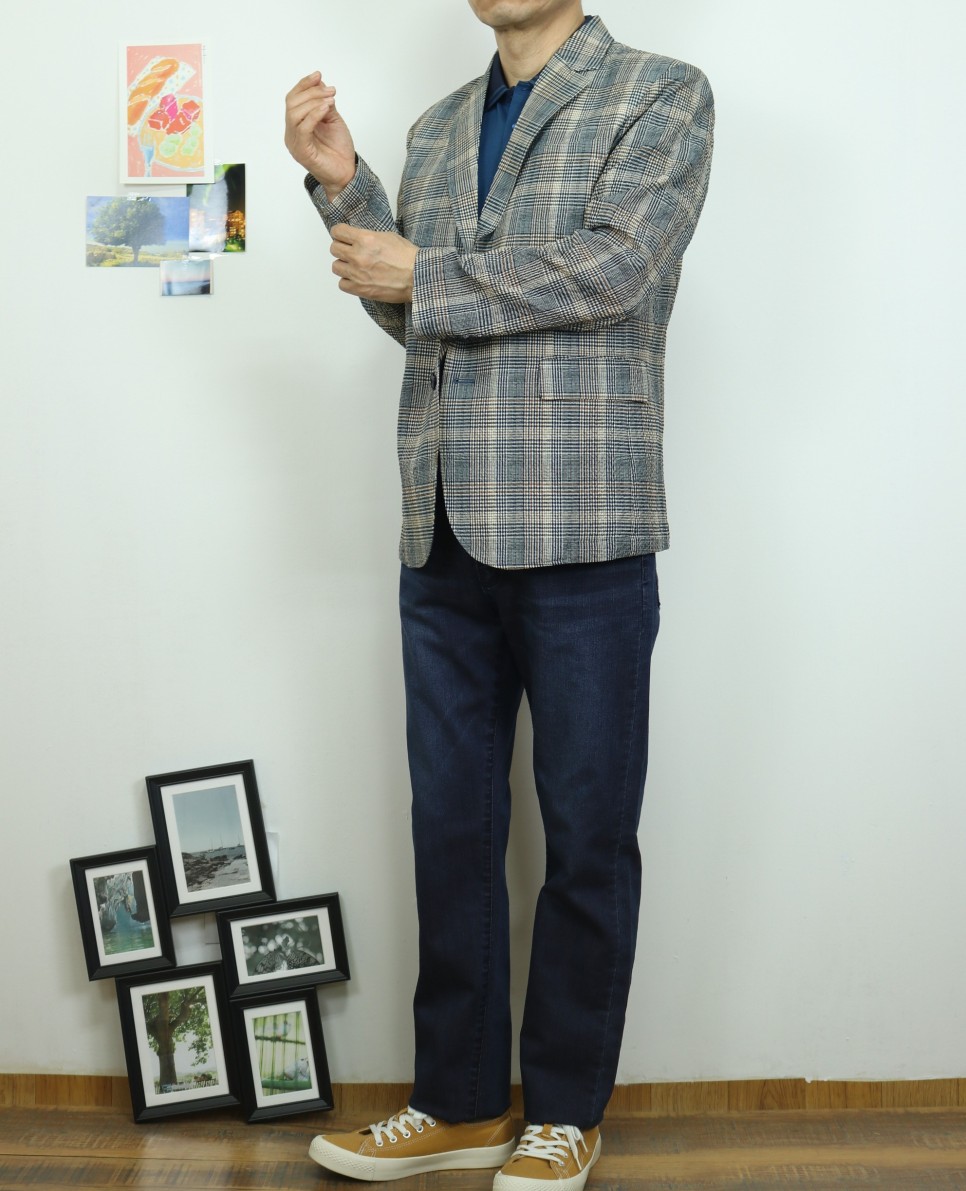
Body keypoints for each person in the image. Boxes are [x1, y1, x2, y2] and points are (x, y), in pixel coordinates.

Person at [284, 1, 713, 1186]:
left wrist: (425, 269)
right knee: (452, 832)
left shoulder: (660, 92)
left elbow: (618, 270)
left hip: (583, 526)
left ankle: (565, 1112)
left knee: (585, 836)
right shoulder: (436, 128)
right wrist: (346, 189)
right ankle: (458, 1100)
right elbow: (417, 316)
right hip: (443, 531)